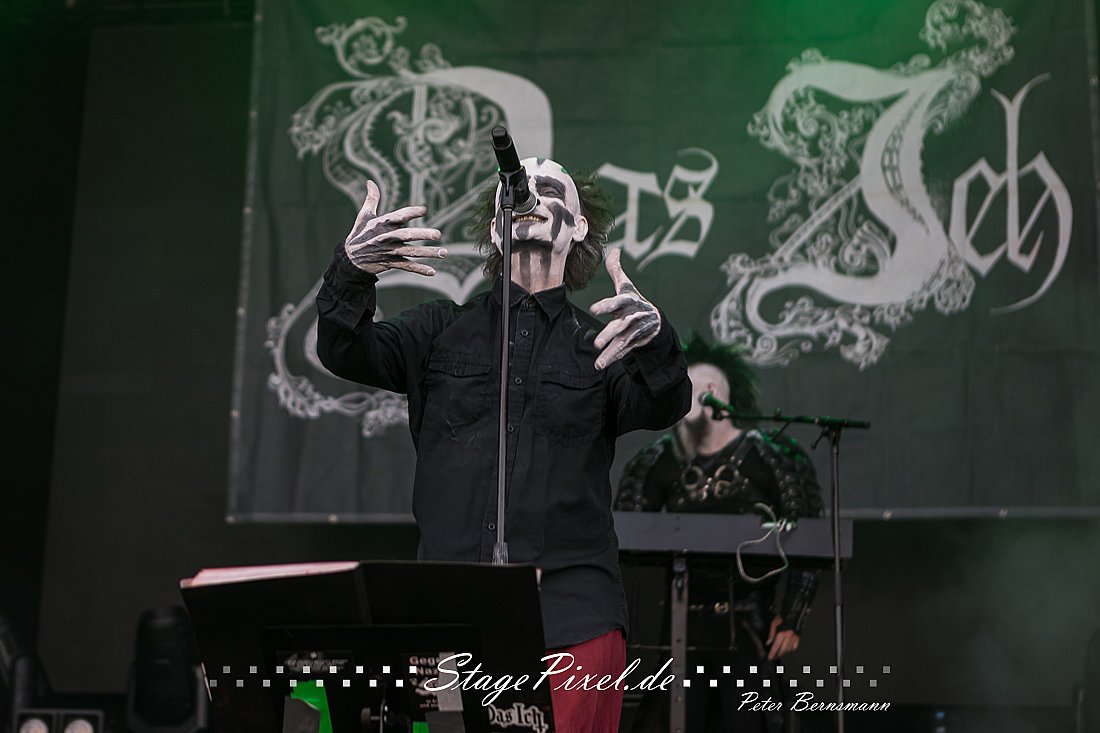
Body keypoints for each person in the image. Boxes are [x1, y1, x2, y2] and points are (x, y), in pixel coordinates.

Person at [315, 159, 692, 732]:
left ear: (579, 227)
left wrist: (658, 341)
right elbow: (345, 350)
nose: (530, 196)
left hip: (572, 615)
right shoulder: (439, 330)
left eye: (549, 190)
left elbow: (664, 404)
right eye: (516, 191)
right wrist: (351, 271)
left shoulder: (600, 345)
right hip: (449, 614)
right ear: (496, 228)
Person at [615, 334, 824, 733]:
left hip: (749, 624)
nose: (699, 395)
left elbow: (809, 533)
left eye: (707, 387)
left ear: (721, 394)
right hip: (679, 624)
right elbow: (626, 536)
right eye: (689, 388)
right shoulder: (657, 460)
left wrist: (793, 615)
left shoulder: (770, 455)